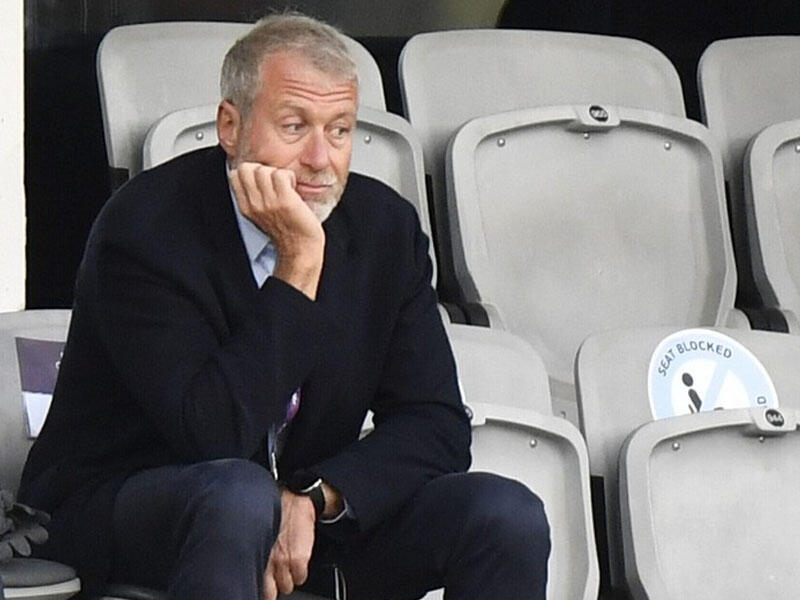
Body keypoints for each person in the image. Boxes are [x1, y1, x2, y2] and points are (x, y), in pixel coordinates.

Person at [20, 13, 550, 600]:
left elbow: (436, 424)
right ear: (230, 126)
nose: (321, 159)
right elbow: (209, 436)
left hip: (297, 516)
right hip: (132, 507)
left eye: (340, 130)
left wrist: (320, 495)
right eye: (294, 127)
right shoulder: (147, 228)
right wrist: (299, 263)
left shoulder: (384, 230)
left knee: (504, 514)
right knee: (240, 496)